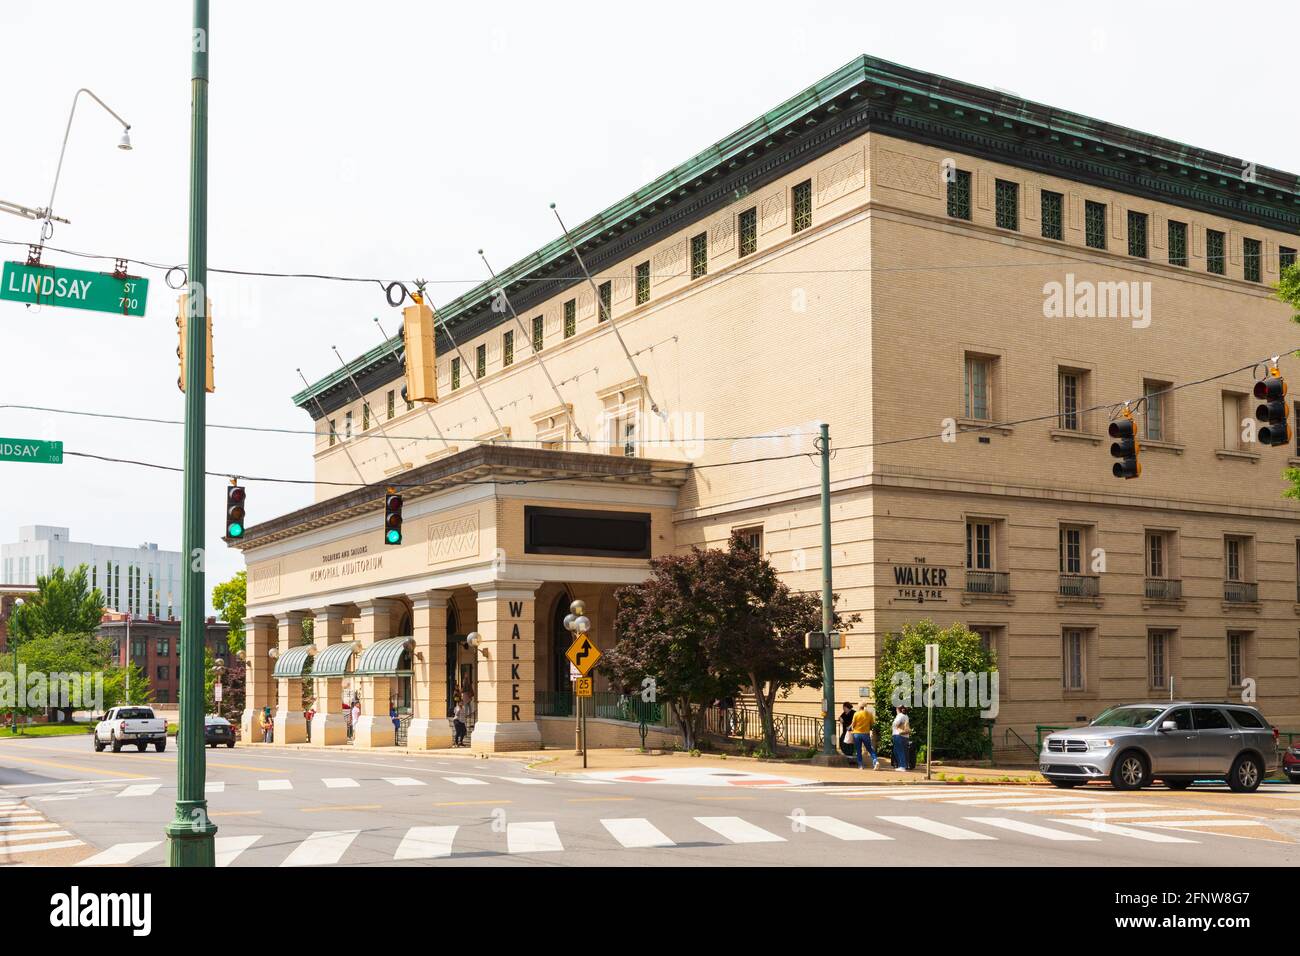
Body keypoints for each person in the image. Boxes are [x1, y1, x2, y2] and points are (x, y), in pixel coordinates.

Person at [851, 702, 879, 770]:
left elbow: (853, 724)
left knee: (858, 750)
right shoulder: (869, 714)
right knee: (870, 749)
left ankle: (860, 765)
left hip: (857, 734)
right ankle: (875, 760)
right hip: (866, 734)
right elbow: (872, 724)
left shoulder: (856, 714)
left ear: (859, 707)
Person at [891, 705, 911, 772]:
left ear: (898, 709)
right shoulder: (906, 716)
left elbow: (895, 724)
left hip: (898, 735)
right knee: (902, 751)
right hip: (905, 736)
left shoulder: (900, 716)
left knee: (899, 751)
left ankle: (902, 766)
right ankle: (903, 765)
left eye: (896, 709)